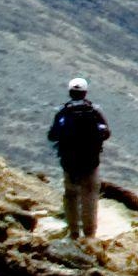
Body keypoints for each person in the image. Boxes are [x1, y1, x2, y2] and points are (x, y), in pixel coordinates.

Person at [45, 79, 110, 246]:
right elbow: (106, 133)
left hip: (69, 163)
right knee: (90, 196)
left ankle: (73, 232)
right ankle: (90, 235)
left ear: (69, 92)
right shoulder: (94, 111)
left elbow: (52, 135)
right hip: (90, 162)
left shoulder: (63, 112)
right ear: (85, 93)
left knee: (71, 195)